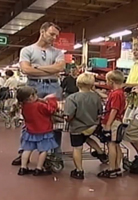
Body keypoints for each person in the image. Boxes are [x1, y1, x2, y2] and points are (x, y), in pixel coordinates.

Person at [12, 22, 65, 166]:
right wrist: (51, 69)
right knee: (29, 120)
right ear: (42, 31)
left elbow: (60, 67)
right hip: (32, 86)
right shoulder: (27, 50)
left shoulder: (58, 52)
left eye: (56, 36)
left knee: (55, 120)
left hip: (53, 86)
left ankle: (54, 152)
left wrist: (37, 67)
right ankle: (24, 152)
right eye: (51, 34)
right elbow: (26, 70)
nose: (54, 38)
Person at [64, 73, 107, 179]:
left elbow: (69, 114)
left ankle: (79, 170)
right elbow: (100, 111)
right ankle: (100, 152)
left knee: (77, 148)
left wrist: (65, 118)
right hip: (92, 126)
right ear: (92, 85)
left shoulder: (72, 98)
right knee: (87, 138)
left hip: (77, 127)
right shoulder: (96, 97)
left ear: (77, 83)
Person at [16, 86, 58, 176]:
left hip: (30, 131)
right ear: (31, 97)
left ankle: (23, 168)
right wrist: (52, 100)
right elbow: (50, 110)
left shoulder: (24, 106)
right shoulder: (39, 105)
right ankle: (39, 168)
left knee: (27, 149)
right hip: (44, 131)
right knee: (43, 150)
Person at [97, 70, 126, 179]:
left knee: (111, 144)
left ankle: (111, 168)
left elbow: (114, 109)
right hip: (117, 121)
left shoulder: (116, 94)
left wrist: (108, 124)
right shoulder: (118, 93)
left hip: (113, 122)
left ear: (111, 81)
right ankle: (117, 167)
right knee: (116, 144)